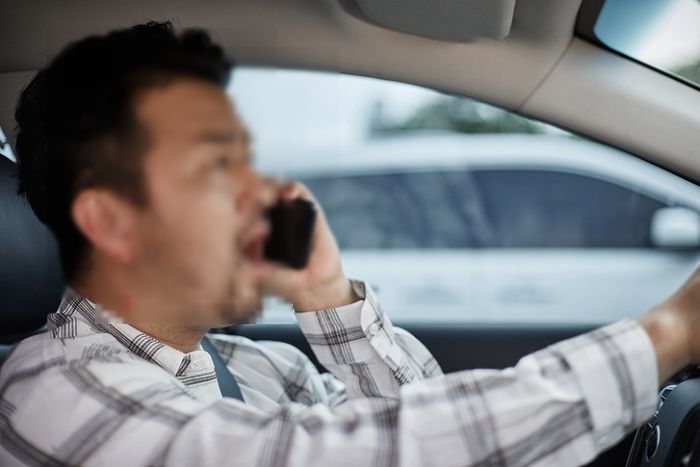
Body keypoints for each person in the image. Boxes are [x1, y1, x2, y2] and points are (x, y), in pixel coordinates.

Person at [0, 21, 696, 467]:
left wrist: (325, 294)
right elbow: (362, 453)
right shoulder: (55, 389)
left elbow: (423, 413)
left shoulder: (253, 365)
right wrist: (671, 329)